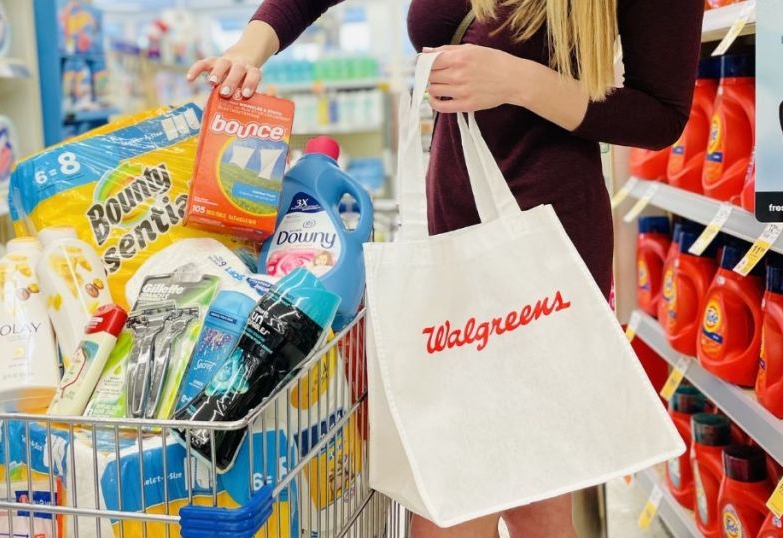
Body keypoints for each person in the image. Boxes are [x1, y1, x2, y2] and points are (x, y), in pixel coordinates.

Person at [188, 0, 704, 536]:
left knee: (455, 498)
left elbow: (661, 113)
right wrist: (252, 47)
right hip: (453, 239)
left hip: (543, 253)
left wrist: (524, 82)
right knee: (537, 498)